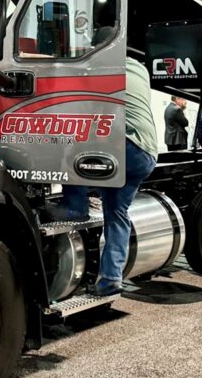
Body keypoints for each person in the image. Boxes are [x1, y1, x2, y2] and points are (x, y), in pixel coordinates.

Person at [53, 55, 159, 297]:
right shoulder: (140, 68)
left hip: (126, 146)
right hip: (147, 153)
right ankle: (111, 279)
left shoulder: (102, 66)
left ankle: (75, 208)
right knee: (116, 213)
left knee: (74, 144)